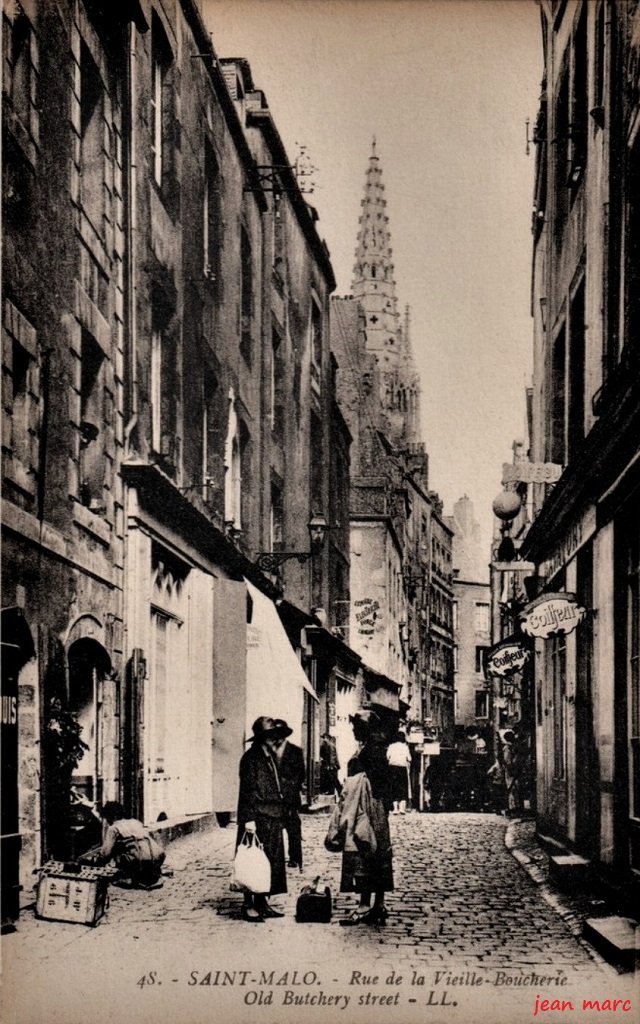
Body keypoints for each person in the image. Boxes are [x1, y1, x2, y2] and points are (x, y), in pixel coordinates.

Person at [339, 709, 393, 926]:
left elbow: (373, 782)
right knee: (378, 852)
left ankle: (364, 906)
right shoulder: (375, 747)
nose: (353, 731)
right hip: (376, 808)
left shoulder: (371, 751)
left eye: (355, 727)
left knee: (363, 850)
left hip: (366, 808)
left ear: (364, 729)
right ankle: (378, 904)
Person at [236, 716, 287, 922]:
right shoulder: (250, 759)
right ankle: (249, 904)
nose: (275, 739)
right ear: (262, 738)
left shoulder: (271, 758)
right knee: (253, 858)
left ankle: (263, 901)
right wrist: (248, 820)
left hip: (272, 815)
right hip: (256, 817)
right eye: (271, 736)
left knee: (271, 860)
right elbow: (246, 791)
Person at [77, 797, 165, 889]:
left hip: (140, 860)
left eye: (107, 818)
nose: (107, 822)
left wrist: (90, 861)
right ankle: (149, 875)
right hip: (158, 857)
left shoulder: (113, 828)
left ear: (111, 817)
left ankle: (130, 877)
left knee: (117, 848)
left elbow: (106, 854)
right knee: (128, 844)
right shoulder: (135, 822)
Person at [272, 719, 305, 869]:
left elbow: (301, 774)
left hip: (290, 798)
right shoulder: (269, 751)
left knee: (293, 829)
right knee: (275, 829)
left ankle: (295, 857)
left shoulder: (295, 751)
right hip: (273, 798)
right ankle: (274, 856)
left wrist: (290, 787)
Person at [386, 730, 412, 813]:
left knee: (393, 787)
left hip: (392, 768)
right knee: (403, 788)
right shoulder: (405, 747)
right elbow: (409, 758)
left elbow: (387, 757)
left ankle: (395, 809)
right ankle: (402, 808)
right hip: (402, 768)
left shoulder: (391, 746)